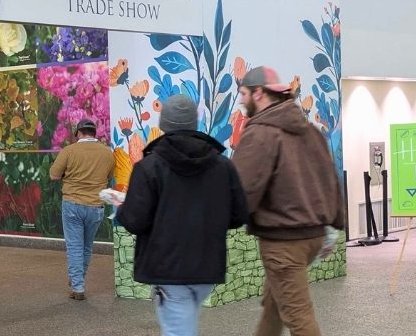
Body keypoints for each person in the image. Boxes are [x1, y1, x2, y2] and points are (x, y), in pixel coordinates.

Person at [115, 94, 249, 336]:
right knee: (184, 326)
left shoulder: (148, 167)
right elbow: (239, 214)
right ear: (193, 123)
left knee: (178, 332)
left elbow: (135, 220)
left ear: (163, 124)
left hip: (168, 269)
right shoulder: (223, 166)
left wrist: (121, 208)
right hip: (207, 267)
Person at [232, 66, 344, 336]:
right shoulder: (310, 130)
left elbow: (242, 189)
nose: (241, 100)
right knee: (274, 304)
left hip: (283, 243)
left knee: (298, 317)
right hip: (312, 236)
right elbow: (330, 178)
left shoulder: (259, 133)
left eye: (244, 93)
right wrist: (336, 224)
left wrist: (223, 217)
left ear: (259, 93)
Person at [49, 119, 114, 300]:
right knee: (86, 247)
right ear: (95, 133)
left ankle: (78, 287)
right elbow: (110, 175)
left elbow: (53, 175)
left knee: (74, 246)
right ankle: (78, 278)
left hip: (73, 204)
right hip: (95, 206)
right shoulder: (107, 153)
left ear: (78, 133)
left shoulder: (69, 151)